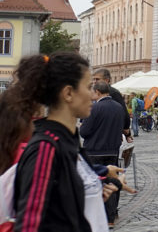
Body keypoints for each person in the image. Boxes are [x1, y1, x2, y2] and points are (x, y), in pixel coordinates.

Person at [8, 53, 106, 231]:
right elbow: (29, 224)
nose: (93, 95)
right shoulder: (46, 148)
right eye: (88, 87)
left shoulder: (68, 140)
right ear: (68, 93)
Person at [80, 81, 125, 228]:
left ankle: (96, 216)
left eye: (92, 92)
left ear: (98, 92)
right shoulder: (119, 107)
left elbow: (84, 132)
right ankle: (110, 218)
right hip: (113, 150)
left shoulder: (95, 107)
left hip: (95, 150)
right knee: (111, 182)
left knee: (96, 183)